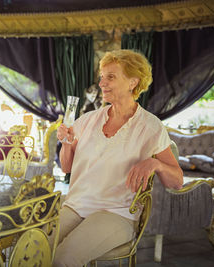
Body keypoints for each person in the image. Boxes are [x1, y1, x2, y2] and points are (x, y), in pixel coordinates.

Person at [54, 49, 183, 267]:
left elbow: (177, 181)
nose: (102, 83)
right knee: (32, 249)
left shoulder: (151, 127)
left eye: (110, 77)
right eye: (102, 77)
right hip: (75, 205)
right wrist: (67, 143)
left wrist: (156, 163)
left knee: (63, 259)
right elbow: (66, 168)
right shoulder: (87, 120)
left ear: (133, 82)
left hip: (116, 213)